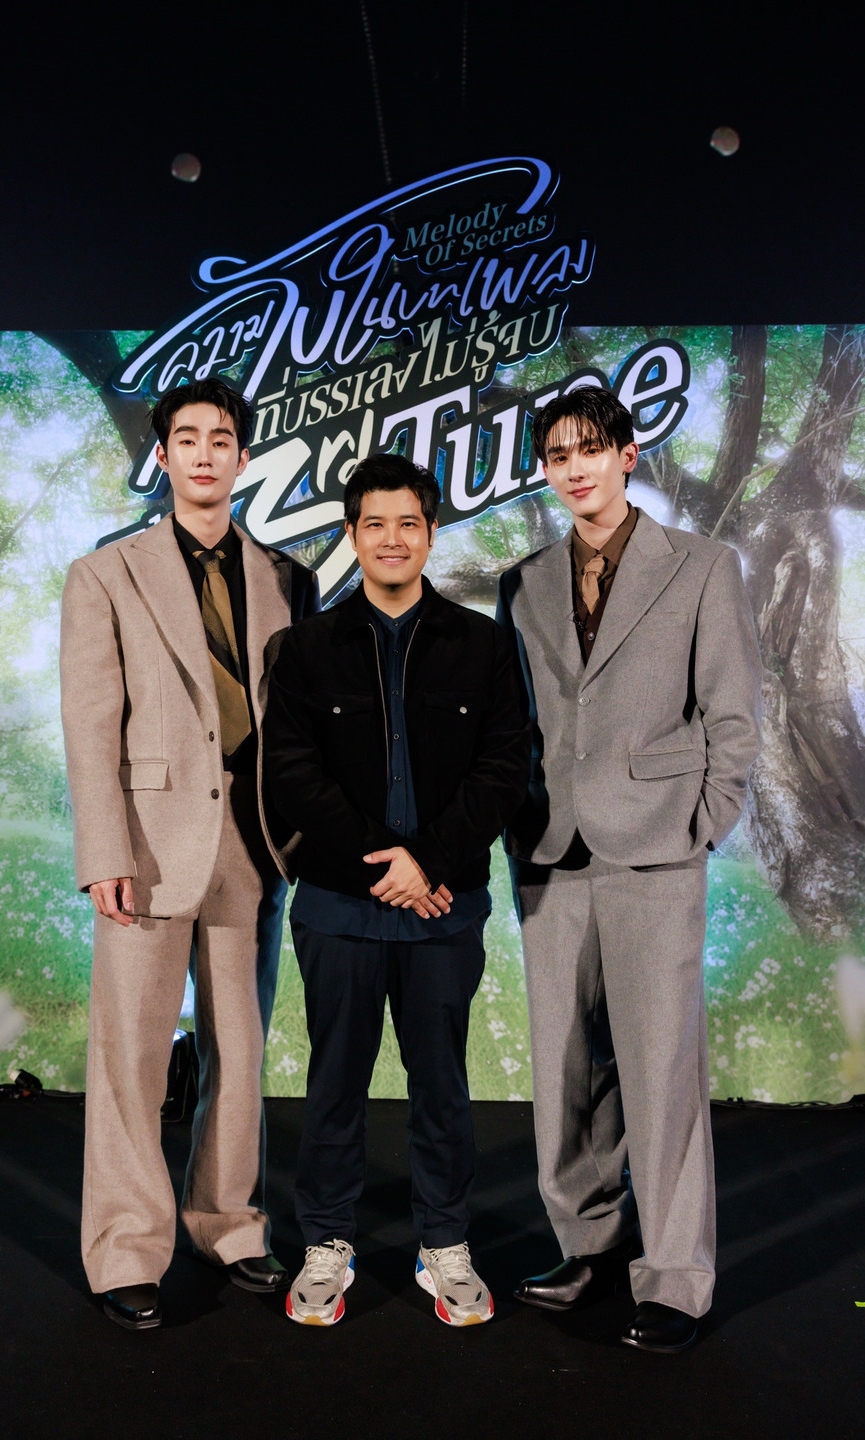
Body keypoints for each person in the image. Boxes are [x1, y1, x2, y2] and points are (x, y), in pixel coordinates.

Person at [498, 386, 762, 1353]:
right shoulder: (522, 581)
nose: (575, 468)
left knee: (661, 1069)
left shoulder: (702, 566)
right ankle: (589, 1244)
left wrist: (704, 823)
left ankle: (676, 1279)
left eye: (591, 448)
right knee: (566, 1067)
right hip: (549, 847)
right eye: (558, 454)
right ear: (545, 469)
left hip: (659, 844)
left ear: (627, 455)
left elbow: (733, 715)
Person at [60, 377, 320, 1329]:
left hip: (255, 843)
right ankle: (128, 1247)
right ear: (161, 455)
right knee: (131, 1055)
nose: (205, 452)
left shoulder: (288, 578)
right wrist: (103, 848)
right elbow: (90, 722)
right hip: (147, 846)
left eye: (221, 438)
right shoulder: (105, 573)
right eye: (187, 437)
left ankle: (228, 1224)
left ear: (243, 458)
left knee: (239, 1051)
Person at [263, 453, 529, 1327]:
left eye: (407, 523)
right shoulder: (304, 649)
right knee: (334, 1083)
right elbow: (293, 776)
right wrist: (389, 866)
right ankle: (326, 1243)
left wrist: (432, 864)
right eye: (372, 523)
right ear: (351, 535)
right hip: (339, 909)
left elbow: (504, 769)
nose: (390, 539)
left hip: (444, 910)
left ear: (430, 533)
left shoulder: (485, 644)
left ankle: (444, 1244)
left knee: (442, 1087)